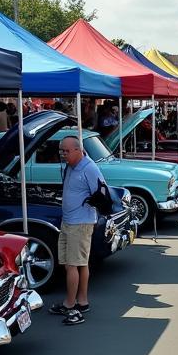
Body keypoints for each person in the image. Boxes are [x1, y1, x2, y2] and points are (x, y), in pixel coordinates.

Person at [49, 136, 105, 326]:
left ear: (77, 150)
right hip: (69, 222)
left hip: (80, 224)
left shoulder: (88, 167)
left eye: (66, 151)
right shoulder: (71, 166)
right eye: (61, 151)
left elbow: (101, 192)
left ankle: (71, 304)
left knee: (74, 264)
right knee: (74, 264)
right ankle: (82, 301)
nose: (63, 154)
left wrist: (92, 205)